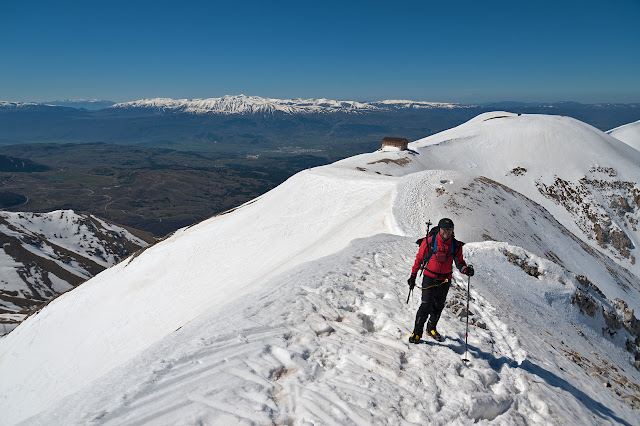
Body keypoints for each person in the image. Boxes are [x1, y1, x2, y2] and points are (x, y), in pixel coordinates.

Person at [408, 218, 474, 343]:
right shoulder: (429, 242)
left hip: (445, 280)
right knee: (426, 305)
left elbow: (460, 262)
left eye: (450, 229)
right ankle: (416, 333)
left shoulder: (456, 245)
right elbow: (419, 259)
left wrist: (466, 270)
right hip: (429, 278)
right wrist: (413, 276)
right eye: (444, 229)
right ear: (439, 229)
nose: (447, 232)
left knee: (438, 306)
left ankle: (431, 328)